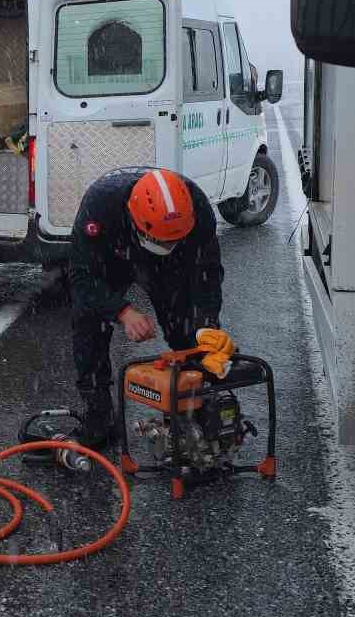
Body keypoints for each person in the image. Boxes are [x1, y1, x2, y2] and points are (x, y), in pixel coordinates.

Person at [67, 166, 232, 449]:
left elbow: (207, 273)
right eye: (162, 241)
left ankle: (194, 409)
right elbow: (81, 276)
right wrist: (122, 311)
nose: (166, 243)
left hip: (170, 265)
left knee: (187, 329)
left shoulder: (198, 207)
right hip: (112, 256)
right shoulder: (100, 207)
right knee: (89, 326)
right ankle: (99, 417)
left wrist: (206, 324)